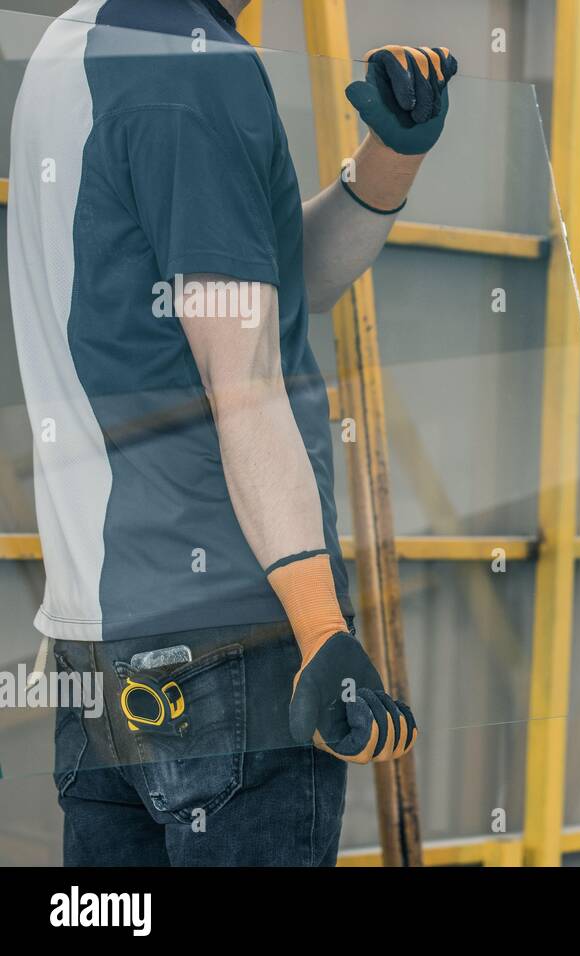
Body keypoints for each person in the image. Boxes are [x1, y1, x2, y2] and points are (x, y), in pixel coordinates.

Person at [5, 0, 454, 865]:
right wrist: (323, 629)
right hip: (233, 646)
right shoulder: (195, 63)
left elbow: (266, 290)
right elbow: (241, 376)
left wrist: (389, 161)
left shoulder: (69, 51)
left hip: (95, 652)